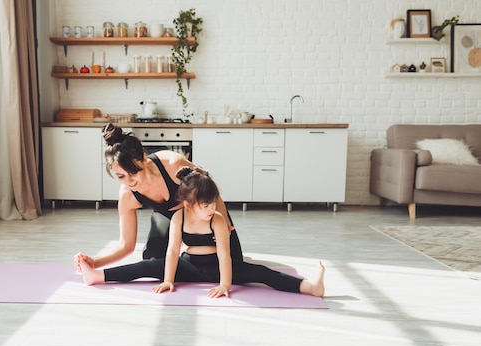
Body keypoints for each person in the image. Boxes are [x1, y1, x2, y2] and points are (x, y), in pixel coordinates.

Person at [75, 166, 325, 299]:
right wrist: (169, 280)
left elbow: (225, 256)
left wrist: (225, 284)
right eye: (205, 205)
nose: (211, 208)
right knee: (149, 266)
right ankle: (96, 276)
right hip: (189, 265)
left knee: (260, 272)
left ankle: (310, 287)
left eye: (212, 202)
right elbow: (173, 251)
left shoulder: (216, 219)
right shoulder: (178, 217)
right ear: (188, 204)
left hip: (216, 266)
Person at [75, 122, 243, 271]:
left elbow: (208, 188)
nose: (129, 181)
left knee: (235, 264)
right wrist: (95, 262)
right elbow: (125, 245)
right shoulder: (127, 195)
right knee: (153, 261)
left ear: (144, 159)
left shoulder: (172, 164)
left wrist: (223, 222)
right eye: (121, 176)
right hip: (167, 216)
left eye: (133, 173)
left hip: (199, 210)